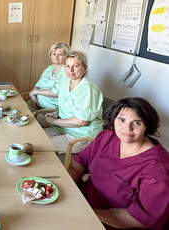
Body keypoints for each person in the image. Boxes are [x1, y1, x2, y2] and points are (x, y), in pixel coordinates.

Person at [68, 98, 169, 229]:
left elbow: (140, 219)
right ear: (114, 119)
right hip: (82, 201)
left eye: (137, 123)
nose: (127, 128)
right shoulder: (106, 137)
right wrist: (65, 190)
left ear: (147, 126)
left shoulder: (159, 169)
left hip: (113, 222)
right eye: (121, 120)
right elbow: (78, 164)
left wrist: (86, 214)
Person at [43, 51, 104, 153]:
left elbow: (82, 121)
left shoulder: (87, 89)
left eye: (75, 66)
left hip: (81, 135)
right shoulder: (65, 82)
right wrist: (55, 113)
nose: (70, 70)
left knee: (40, 148)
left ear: (84, 68)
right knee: (34, 138)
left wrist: (53, 121)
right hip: (63, 128)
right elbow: (68, 103)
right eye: (67, 66)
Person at [28, 42, 70, 111]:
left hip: (49, 109)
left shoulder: (66, 71)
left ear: (66, 56)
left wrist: (35, 92)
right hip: (36, 104)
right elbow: (38, 85)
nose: (56, 57)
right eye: (54, 54)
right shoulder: (49, 68)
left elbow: (55, 93)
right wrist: (33, 97)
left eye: (60, 55)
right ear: (50, 55)